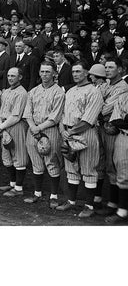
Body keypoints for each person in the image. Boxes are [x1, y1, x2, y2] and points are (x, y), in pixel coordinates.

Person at [56, 61, 104, 218]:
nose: (75, 74)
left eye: (79, 71)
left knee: (88, 169)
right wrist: (63, 130)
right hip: (69, 132)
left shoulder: (93, 91)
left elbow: (89, 118)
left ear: (87, 73)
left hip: (86, 134)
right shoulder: (70, 91)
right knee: (71, 169)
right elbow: (62, 114)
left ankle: (89, 206)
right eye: (74, 72)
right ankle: (71, 202)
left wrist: (70, 132)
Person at [23, 61, 65, 208]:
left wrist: (38, 127)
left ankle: (54, 196)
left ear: (54, 73)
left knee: (51, 161)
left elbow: (55, 116)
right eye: (42, 71)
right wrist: (33, 127)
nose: (45, 75)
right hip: (32, 129)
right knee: (36, 162)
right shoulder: (33, 91)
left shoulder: (58, 91)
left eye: (48, 72)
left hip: (49, 129)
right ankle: (37, 193)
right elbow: (27, 112)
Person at [94, 57, 128, 215]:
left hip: (112, 127)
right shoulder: (105, 84)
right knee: (100, 161)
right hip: (99, 125)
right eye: (105, 67)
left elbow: (105, 109)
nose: (106, 70)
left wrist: (95, 108)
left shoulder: (123, 87)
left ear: (120, 70)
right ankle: (97, 199)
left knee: (112, 164)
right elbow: (93, 102)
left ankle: (114, 204)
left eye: (111, 67)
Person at [0, 67, 29, 197]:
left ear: (20, 77)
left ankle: (19, 188)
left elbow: (16, 116)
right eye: (8, 75)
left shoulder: (22, 93)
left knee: (18, 155)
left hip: (16, 125)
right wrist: (0, 125)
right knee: (7, 155)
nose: (10, 78)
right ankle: (13, 183)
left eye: (13, 76)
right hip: (4, 124)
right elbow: (1, 110)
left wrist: (1, 126)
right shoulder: (6, 91)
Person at [104, 90, 128, 223]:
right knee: (122, 174)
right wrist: (125, 119)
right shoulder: (124, 96)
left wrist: (125, 119)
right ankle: (122, 211)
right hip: (124, 137)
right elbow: (115, 120)